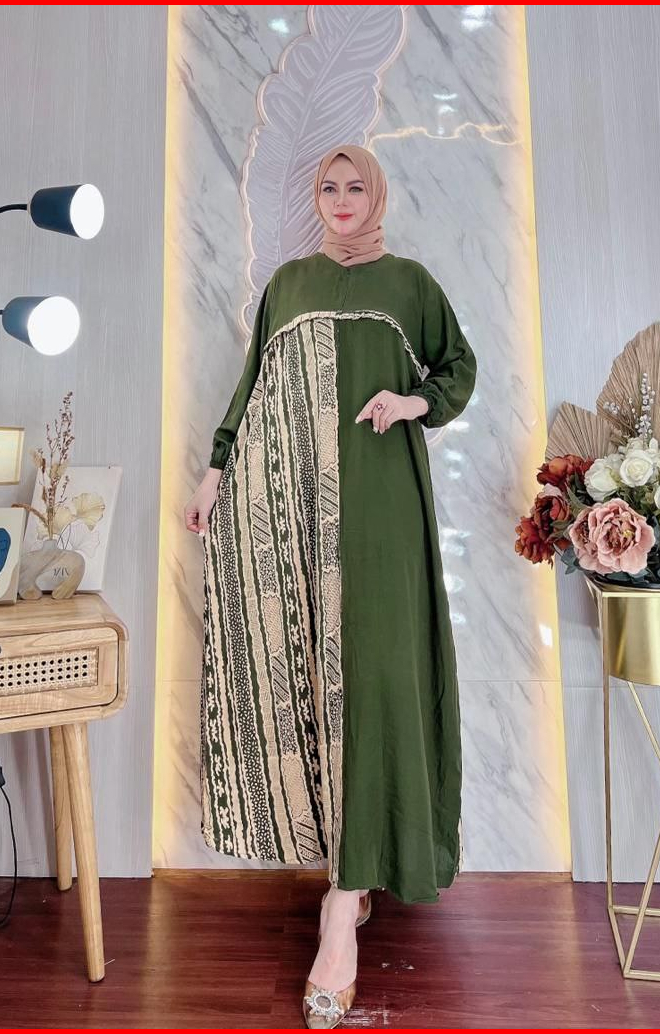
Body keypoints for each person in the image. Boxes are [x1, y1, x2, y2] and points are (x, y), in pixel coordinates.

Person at [184, 144, 477, 1029]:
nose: (342, 199)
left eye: (356, 186)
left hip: (384, 513)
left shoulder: (410, 283)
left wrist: (412, 403)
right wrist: (216, 472)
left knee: (377, 683)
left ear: (376, 195)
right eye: (328, 186)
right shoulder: (290, 284)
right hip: (295, 521)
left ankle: (342, 910)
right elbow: (252, 388)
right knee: (309, 683)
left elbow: (458, 369)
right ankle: (345, 878)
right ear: (315, 198)